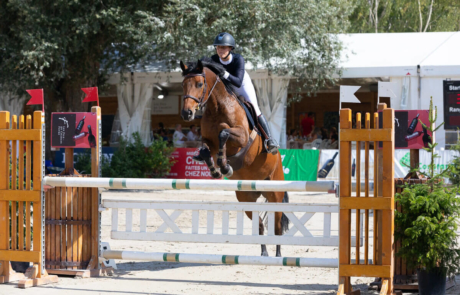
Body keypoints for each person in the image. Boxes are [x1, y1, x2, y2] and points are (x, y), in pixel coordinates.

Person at [209, 32, 279, 153]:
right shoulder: (214, 59)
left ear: (230, 48)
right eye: (218, 47)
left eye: (224, 47)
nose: (220, 50)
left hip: (242, 85)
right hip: (227, 87)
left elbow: (238, 81)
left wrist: (223, 73)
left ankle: (269, 139)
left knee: (255, 109)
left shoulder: (238, 59)